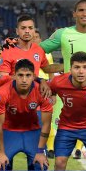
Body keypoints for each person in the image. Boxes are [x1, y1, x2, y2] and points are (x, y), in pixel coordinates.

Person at [40, 0, 86, 164]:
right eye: (80, 10)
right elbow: (38, 50)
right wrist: (49, 69)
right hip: (67, 93)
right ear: (74, 14)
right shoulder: (63, 34)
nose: (84, 13)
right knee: (61, 157)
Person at [0, 59, 53, 171]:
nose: (24, 79)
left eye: (28, 75)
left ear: (34, 76)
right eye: (20, 75)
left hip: (33, 131)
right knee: (0, 166)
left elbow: (46, 124)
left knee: (40, 166)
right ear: (14, 76)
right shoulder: (3, 92)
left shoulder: (42, 91)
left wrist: (40, 151)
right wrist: (0, 152)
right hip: (8, 132)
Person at [34, 30, 56, 159]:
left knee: (47, 118)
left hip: (45, 87)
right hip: (33, 87)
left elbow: (51, 74)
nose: (35, 39)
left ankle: (50, 148)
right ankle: (36, 147)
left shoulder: (46, 54)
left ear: (41, 39)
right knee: (34, 117)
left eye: (37, 37)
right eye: (34, 37)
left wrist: (53, 92)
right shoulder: (29, 52)